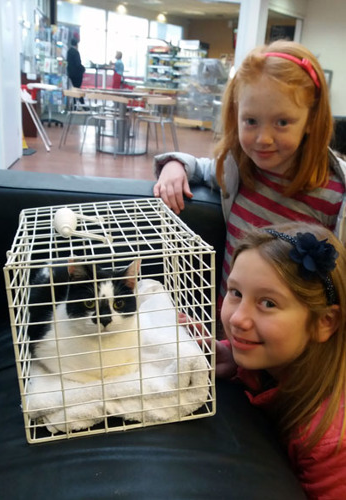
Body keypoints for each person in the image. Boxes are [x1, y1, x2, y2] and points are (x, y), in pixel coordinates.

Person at [152, 40, 346, 314]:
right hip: (232, 324)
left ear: (312, 121)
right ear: (236, 115)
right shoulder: (239, 168)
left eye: (282, 122)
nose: (263, 139)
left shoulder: (336, 197)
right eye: (251, 121)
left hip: (293, 346)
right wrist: (175, 165)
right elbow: (205, 167)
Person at [217, 221, 346, 498]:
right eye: (236, 293)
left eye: (268, 303)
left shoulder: (331, 442)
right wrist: (232, 356)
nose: (238, 318)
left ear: (324, 322)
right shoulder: (276, 358)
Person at [66, 37, 86, 104]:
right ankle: (81, 102)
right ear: (76, 44)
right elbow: (78, 64)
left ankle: (75, 103)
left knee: (75, 88)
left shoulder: (69, 51)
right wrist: (83, 69)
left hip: (71, 74)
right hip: (77, 74)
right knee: (78, 88)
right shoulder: (76, 52)